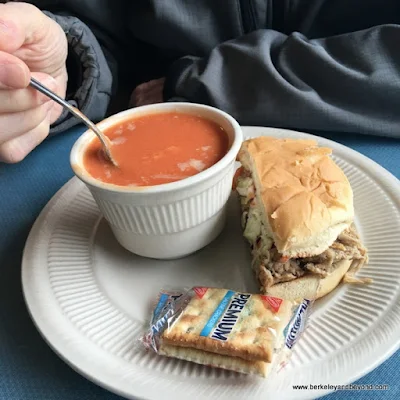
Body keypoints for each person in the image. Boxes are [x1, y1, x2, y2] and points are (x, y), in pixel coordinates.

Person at [0, 0, 399, 163]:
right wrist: (66, 62)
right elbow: (101, 34)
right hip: (147, 132)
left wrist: (204, 82)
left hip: (370, 137)